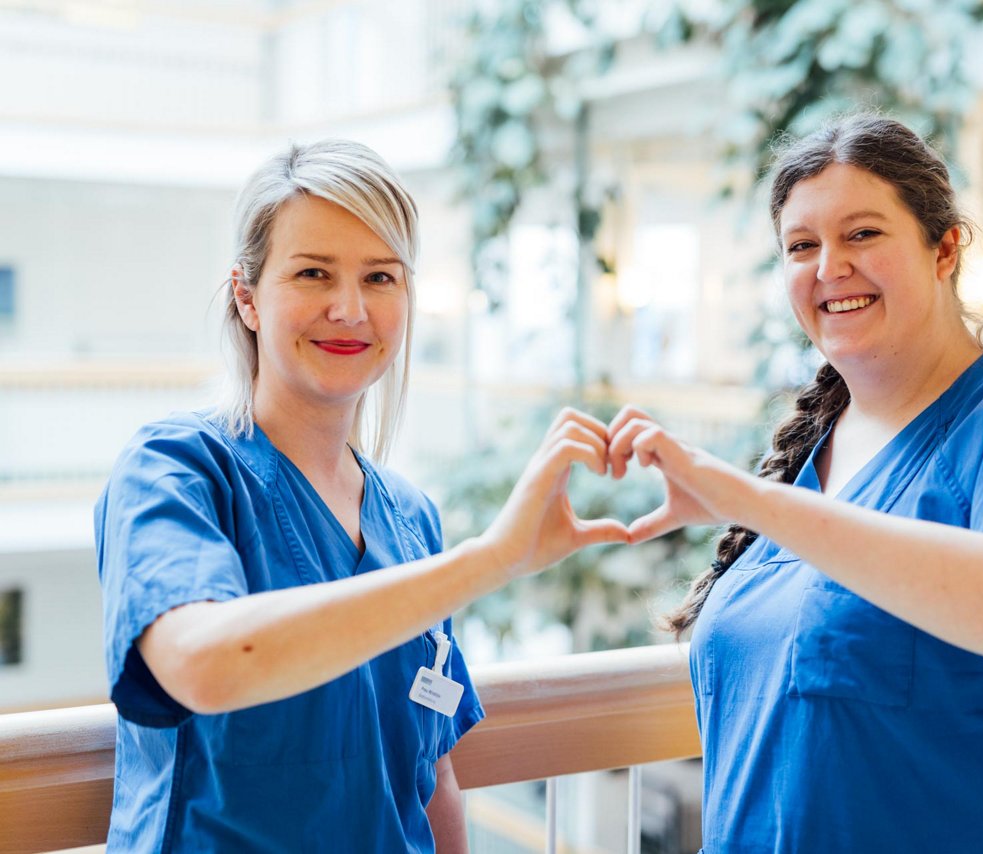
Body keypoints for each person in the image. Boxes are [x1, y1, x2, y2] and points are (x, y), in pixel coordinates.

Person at [606, 115, 983, 852]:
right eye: (802, 246)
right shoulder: (811, 459)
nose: (829, 267)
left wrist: (750, 500)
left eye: (862, 234)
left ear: (945, 247)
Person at [95, 140, 629, 852]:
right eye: (314, 273)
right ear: (246, 297)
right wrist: (492, 559)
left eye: (380, 277)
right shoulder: (176, 471)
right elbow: (206, 667)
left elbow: (433, 776)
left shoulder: (409, 518)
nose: (350, 309)